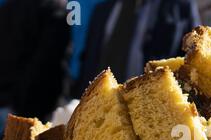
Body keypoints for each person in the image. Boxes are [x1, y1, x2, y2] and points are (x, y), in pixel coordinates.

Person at [72, 0, 200, 98]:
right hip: (102, 111)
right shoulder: (102, 10)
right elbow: (89, 62)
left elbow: (194, 59)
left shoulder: (179, 6)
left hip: (152, 111)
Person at [0, 0, 71, 122]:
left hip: (11, 104)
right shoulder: (55, 9)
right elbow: (44, 65)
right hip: (31, 110)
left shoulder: (8, 7)